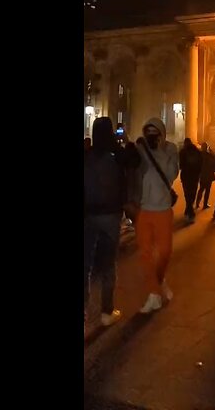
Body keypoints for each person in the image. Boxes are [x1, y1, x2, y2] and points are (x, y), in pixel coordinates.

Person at [84, 116, 139, 327]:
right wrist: (124, 138)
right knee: (108, 264)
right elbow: (135, 160)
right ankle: (107, 312)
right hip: (110, 215)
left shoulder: (87, 155)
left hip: (88, 215)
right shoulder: (117, 155)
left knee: (85, 266)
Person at [134, 116, 180, 313]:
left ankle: (159, 281)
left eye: (155, 134)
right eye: (148, 133)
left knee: (165, 251)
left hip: (162, 209)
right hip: (144, 208)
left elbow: (171, 174)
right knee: (145, 253)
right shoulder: (140, 149)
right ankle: (154, 294)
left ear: (161, 134)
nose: (151, 137)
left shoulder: (170, 150)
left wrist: (157, 150)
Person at [178, 138, 203, 221]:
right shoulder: (197, 151)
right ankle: (189, 211)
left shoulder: (182, 152)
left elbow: (181, 165)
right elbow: (201, 164)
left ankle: (189, 212)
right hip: (195, 176)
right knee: (192, 194)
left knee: (187, 194)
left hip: (185, 176)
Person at [196, 142, 215, 210]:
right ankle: (205, 204)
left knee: (201, 189)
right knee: (207, 190)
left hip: (202, 174)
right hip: (208, 175)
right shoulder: (209, 155)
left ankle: (197, 203)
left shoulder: (199, 155)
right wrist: (211, 152)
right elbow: (214, 160)